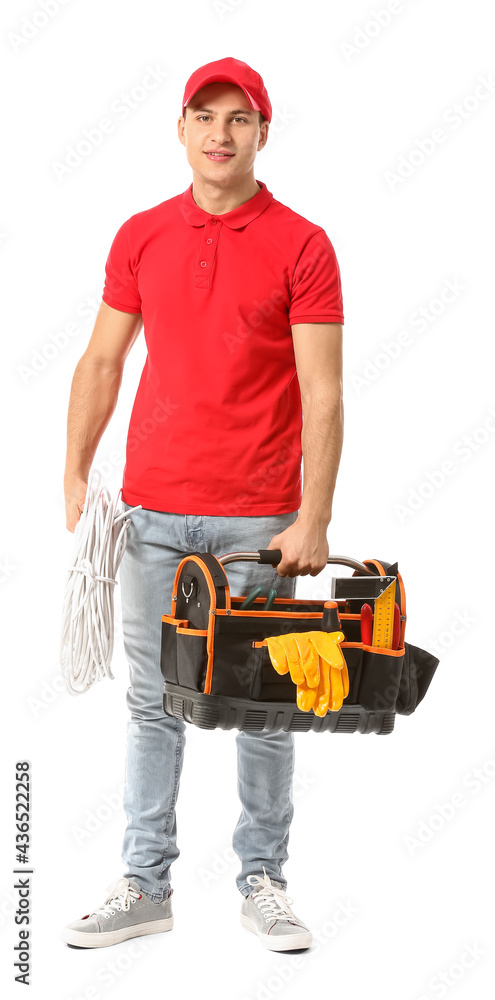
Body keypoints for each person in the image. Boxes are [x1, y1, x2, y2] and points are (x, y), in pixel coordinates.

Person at [61, 56, 344, 952]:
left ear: (263, 133)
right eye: (204, 116)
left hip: (259, 524)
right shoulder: (141, 235)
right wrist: (73, 470)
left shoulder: (303, 243)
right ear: (180, 129)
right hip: (149, 517)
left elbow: (324, 393)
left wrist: (313, 517)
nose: (221, 133)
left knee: (259, 706)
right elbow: (103, 359)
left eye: (240, 118)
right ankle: (145, 884)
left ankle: (263, 878)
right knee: (152, 706)